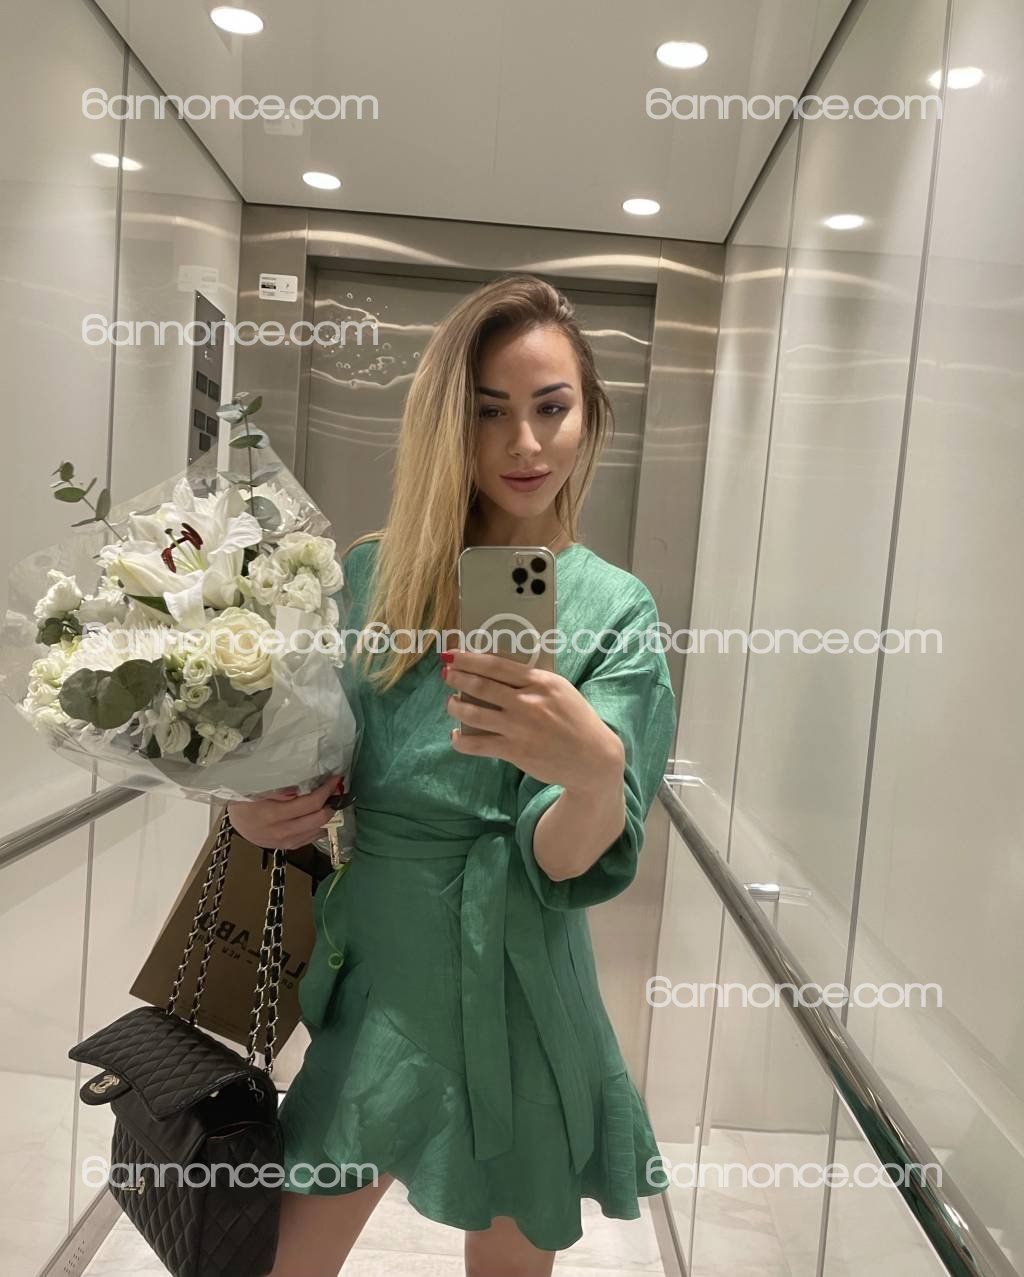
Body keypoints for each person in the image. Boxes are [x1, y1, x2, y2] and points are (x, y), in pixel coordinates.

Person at [228, 274, 678, 1277]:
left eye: (552, 407)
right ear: (446, 423)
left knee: (509, 1261)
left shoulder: (616, 610)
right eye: (488, 412)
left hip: (521, 971)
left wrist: (594, 774)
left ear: (589, 416)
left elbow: (564, 860)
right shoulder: (370, 575)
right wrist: (255, 812)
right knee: (284, 1258)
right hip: (380, 965)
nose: (525, 444)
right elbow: (303, 764)